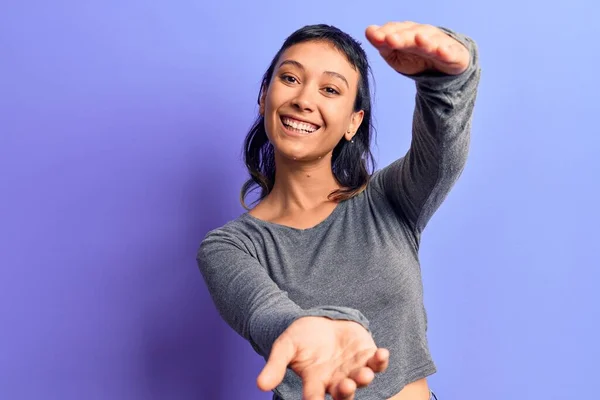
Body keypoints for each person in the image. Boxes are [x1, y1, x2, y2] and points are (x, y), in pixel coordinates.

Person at [197, 20, 481, 400]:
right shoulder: (229, 246)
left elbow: (442, 155)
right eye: (290, 79)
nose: (304, 99)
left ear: (353, 122)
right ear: (264, 96)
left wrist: (443, 84)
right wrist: (306, 326)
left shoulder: (387, 198)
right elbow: (265, 312)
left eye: (330, 89)